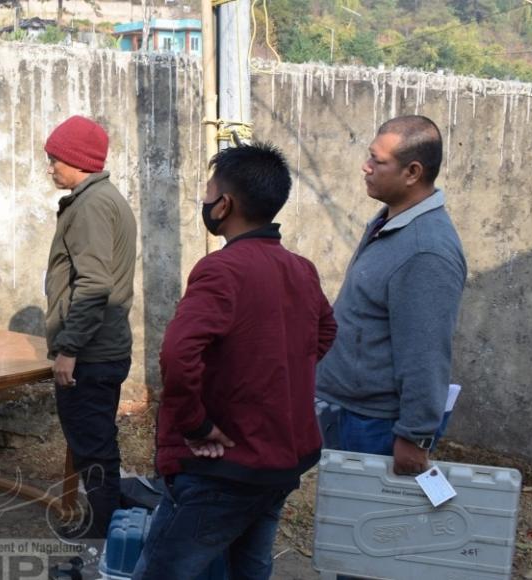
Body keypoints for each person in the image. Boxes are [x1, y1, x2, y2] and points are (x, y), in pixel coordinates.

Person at [132, 143, 336, 580]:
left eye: (208, 192)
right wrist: (272, 377)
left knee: (164, 569)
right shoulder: (301, 268)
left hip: (224, 468)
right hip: (280, 463)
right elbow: (325, 332)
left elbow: (178, 353)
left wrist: (196, 425)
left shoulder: (221, 270)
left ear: (224, 205)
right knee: (248, 566)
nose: (205, 201)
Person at [316, 115, 467, 476]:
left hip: (376, 426)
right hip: (351, 413)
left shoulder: (425, 251)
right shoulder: (391, 221)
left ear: (412, 172)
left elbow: (426, 350)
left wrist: (414, 436)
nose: (365, 167)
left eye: (378, 161)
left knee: (365, 525)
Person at [42, 115, 136, 540]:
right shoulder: (102, 199)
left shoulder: (91, 205)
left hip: (92, 355)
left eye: (54, 160)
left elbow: (94, 285)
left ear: (77, 161)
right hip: (101, 350)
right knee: (96, 445)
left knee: (94, 449)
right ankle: (108, 526)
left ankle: (104, 534)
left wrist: (69, 348)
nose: (51, 168)